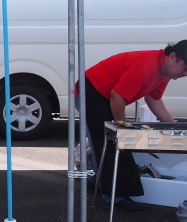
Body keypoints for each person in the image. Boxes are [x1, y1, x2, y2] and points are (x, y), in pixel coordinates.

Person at [79, 40, 187, 211]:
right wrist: (123, 130)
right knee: (111, 144)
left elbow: (153, 99)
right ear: (172, 57)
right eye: (185, 68)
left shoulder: (164, 71)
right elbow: (117, 97)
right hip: (91, 90)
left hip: (107, 94)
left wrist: (173, 126)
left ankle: (96, 181)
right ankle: (114, 198)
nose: (185, 73)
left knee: (110, 142)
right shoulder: (146, 66)